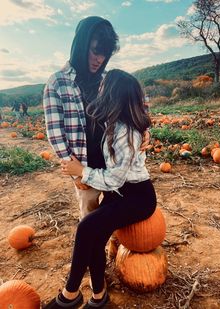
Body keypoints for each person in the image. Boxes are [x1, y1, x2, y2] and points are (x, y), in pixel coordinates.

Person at [44, 69, 157, 309]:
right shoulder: (113, 124)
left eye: (104, 87)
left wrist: (81, 172)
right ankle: (98, 297)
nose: (100, 90)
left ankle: (69, 295)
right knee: (94, 237)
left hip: (137, 197)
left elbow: (115, 179)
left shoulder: (126, 132)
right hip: (121, 193)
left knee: (86, 227)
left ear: (113, 96)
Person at [43, 16, 150, 220]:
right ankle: (94, 251)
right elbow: (56, 134)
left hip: (114, 163)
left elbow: (134, 106)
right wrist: (76, 172)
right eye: (95, 51)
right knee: (90, 218)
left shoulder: (110, 79)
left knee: (117, 212)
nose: (99, 59)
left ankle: (117, 247)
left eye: (105, 54)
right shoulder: (57, 83)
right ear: (80, 46)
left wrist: (143, 130)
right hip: (84, 165)